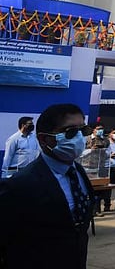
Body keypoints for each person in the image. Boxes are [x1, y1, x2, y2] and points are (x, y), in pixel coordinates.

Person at [0, 103, 94, 269]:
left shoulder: (78, 172)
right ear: (44, 139)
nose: (80, 138)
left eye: (83, 131)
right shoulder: (19, 185)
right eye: (70, 132)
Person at [84, 122, 110, 215]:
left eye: (101, 129)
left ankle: (97, 209)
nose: (100, 131)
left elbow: (107, 151)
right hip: (89, 165)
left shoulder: (105, 140)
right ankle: (88, 209)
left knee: (99, 189)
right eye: (98, 129)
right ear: (93, 130)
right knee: (89, 188)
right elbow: (81, 153)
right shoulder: (87, 139)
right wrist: (90, 149)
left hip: (101, 165)